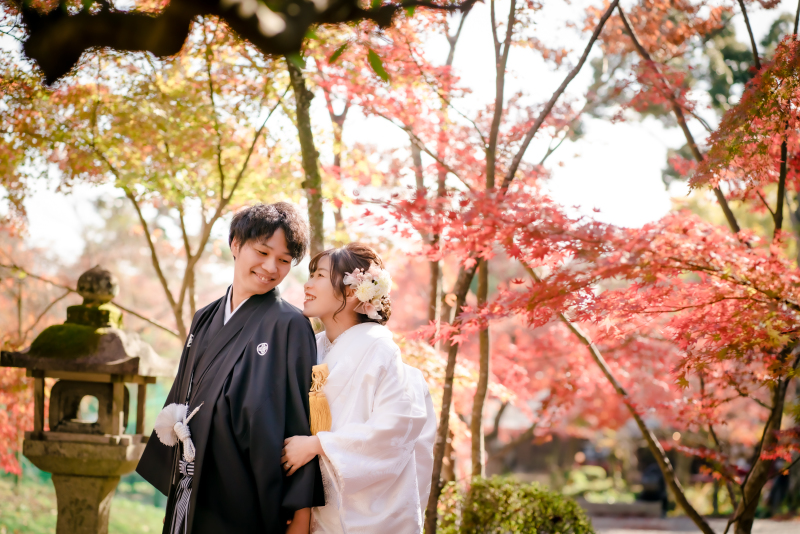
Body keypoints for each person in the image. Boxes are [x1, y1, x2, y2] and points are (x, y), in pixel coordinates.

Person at [136, 202, 325, 534]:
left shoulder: (290, 325)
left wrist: (301, 514)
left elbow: (302, 424)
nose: (271, 267)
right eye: (263, 252)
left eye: (283, 260)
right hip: (193, 479)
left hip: (248, 493)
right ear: (236, 245)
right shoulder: (205, 317)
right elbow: (183, 395)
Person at [281, 242, 437, 534]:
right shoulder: (313, 348)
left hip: (361, 515)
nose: (307, 284)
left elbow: (394, 430)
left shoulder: (380, 350)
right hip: (315, 508)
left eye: (319, 276)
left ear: (352, 292)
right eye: (310, 274)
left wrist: (318, 444)